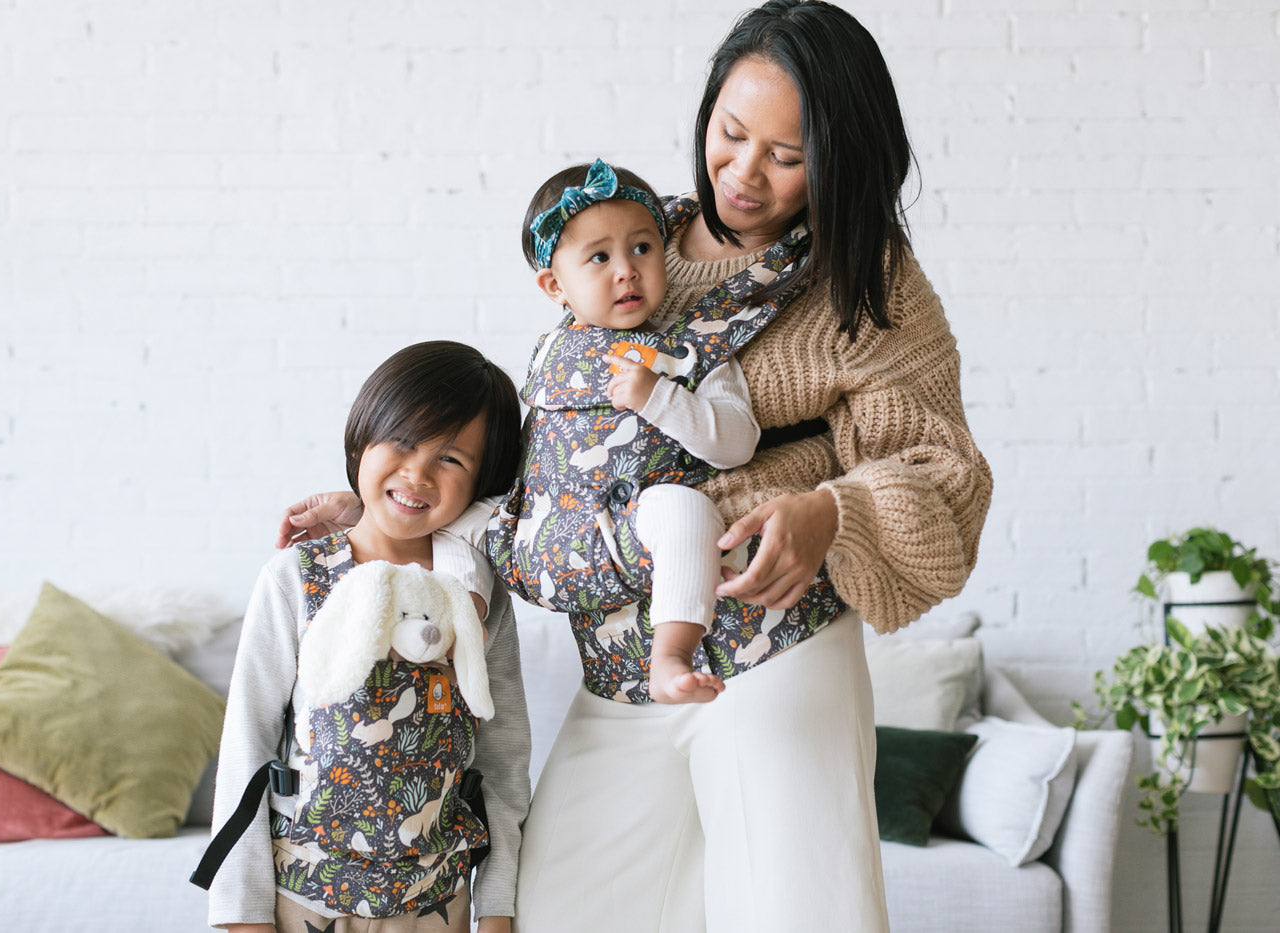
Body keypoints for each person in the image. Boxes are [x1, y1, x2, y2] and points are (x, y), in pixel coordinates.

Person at [279, 2, 992, 929]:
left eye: (786, 154)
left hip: (775, 648)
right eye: (731, 134)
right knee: (561, 908)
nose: (743, 172)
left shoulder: (868, 281)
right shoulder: (625, 238)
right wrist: (386, 507)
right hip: (619, 667)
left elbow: (944, 471)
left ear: (843, 156)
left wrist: (833, 511)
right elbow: (561, 463)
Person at [211, 341, 529, 933]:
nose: (418, 474)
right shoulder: (298, 578)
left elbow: (505, 762)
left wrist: (499, 906)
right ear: (363, 437)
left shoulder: (477, 601)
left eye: (452, 460)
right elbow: (246, 745)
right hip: (307, 896)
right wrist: (240, 912)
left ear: (482, 480)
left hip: (440, 903)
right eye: (404, 442)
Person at [448, 155, 764, 704]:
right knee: (449, 508)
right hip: (547, 540)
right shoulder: (548, 351)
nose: (627, 269)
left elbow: (737, 444)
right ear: (555, 285)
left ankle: (670, 655)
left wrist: (658, 397)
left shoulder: (693, 349)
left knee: (684, 508)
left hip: (637, 535)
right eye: (599, 257)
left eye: (642, 248)